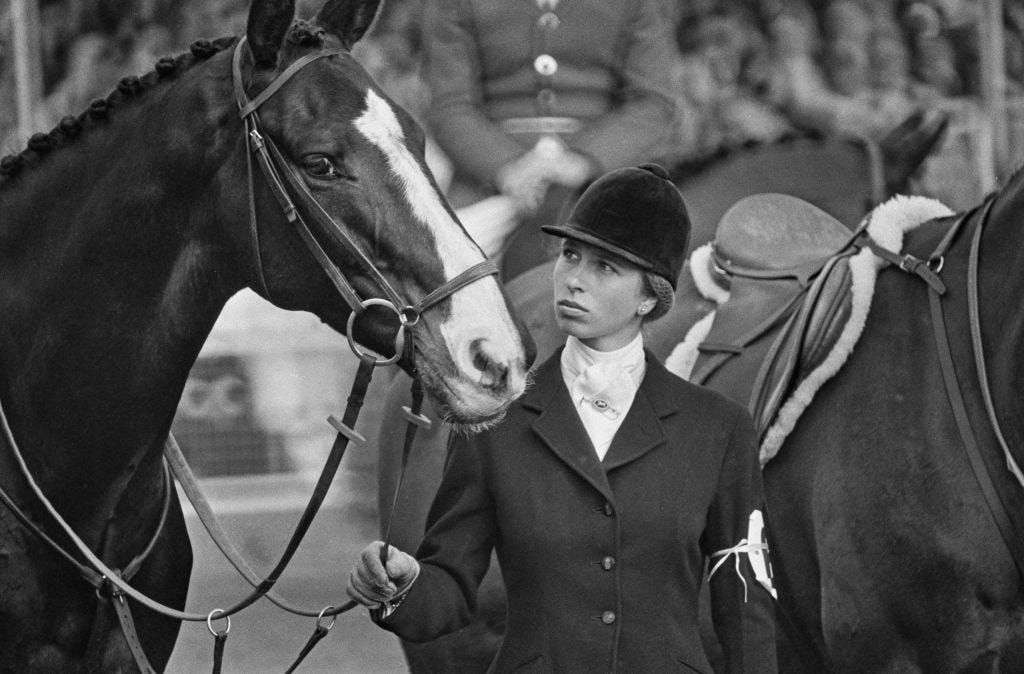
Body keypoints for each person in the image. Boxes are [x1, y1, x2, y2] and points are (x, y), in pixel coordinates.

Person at [349, 164, 778, 673]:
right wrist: (400, 584)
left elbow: (744, 604)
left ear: (649, 296)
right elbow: (451, 584)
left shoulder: (718, 428)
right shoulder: (494, 422)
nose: (574, 279)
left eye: (605, 267)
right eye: (571, 255)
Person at [419, 0, 678, 281]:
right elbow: (449, 106)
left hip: (603, 173)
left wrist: (584, 162)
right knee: (437, 275)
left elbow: (651, 102)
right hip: (487, 178)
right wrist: (507, 169)